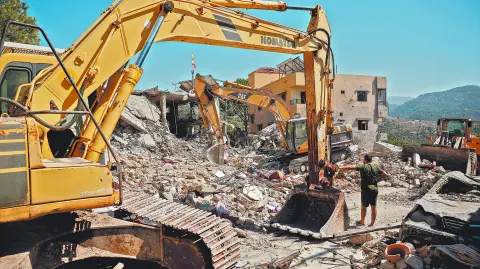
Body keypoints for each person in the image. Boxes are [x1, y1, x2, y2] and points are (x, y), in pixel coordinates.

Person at [338, 154, 390, 227]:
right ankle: (372, 224)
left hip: (366, 190)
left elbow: (351, 167)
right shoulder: (376, 166)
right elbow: (385, 174)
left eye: (363, 160)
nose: (362, 161)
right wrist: (377, 181)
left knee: (363, 207)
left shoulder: (363, 166)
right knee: (373, 207)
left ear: (365, 160)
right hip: (374, 189)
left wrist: (339, 167)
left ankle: (362, 222)